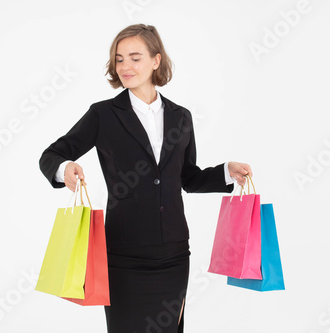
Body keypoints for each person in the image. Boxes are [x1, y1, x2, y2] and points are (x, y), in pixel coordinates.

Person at [39, 23, 252, 333]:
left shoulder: (181, 116)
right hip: (123, 254)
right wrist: (65, 167)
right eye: (119, 58)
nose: (125, 66)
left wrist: (225, 172)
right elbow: (52, 155)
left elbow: (187, 178)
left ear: (155, 60)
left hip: (174, 254)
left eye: (135, 57)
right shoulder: (103, 115)